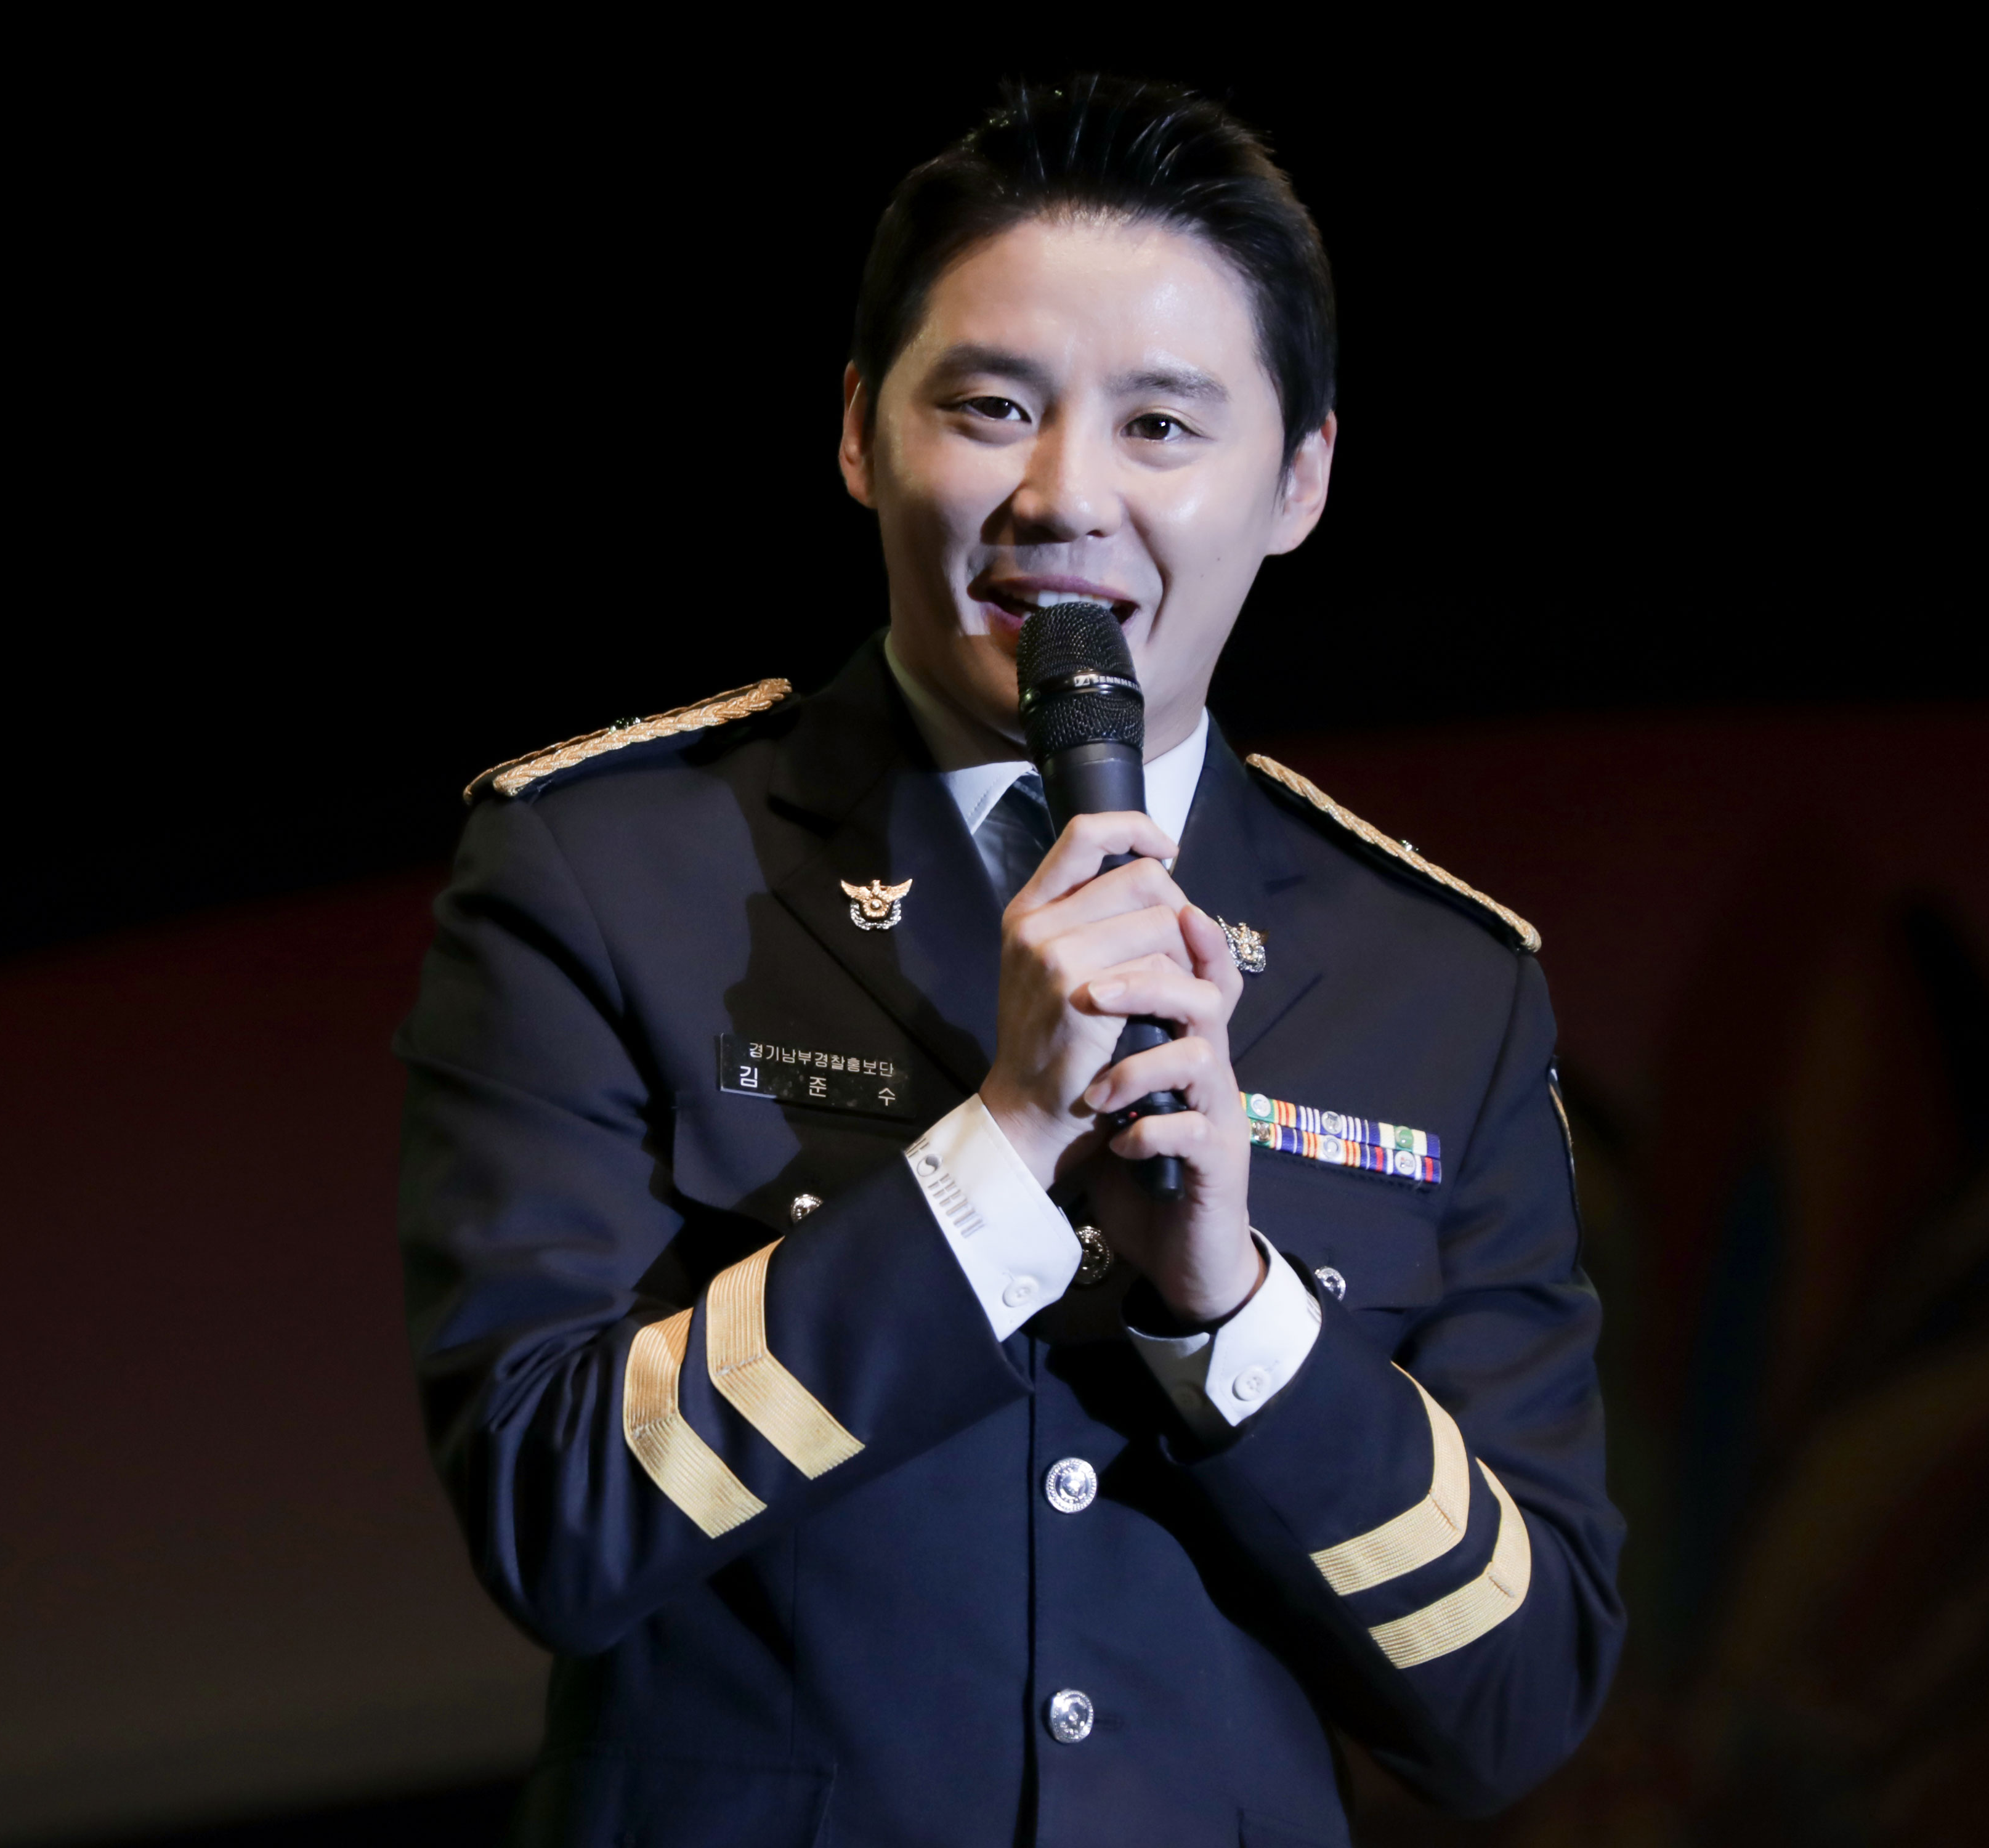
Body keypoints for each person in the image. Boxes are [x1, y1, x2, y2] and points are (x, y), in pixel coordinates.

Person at [398, 74, 1624, 1846]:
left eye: (1160, 425)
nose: (1064, 496)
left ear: (1298, 481)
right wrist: (1001, 1151)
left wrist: (1232, 1312)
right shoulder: (603, 870)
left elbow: (1512, 1705)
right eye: (990, 407)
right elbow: (551, 1521)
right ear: (856, 432)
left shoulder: (1441, 981)